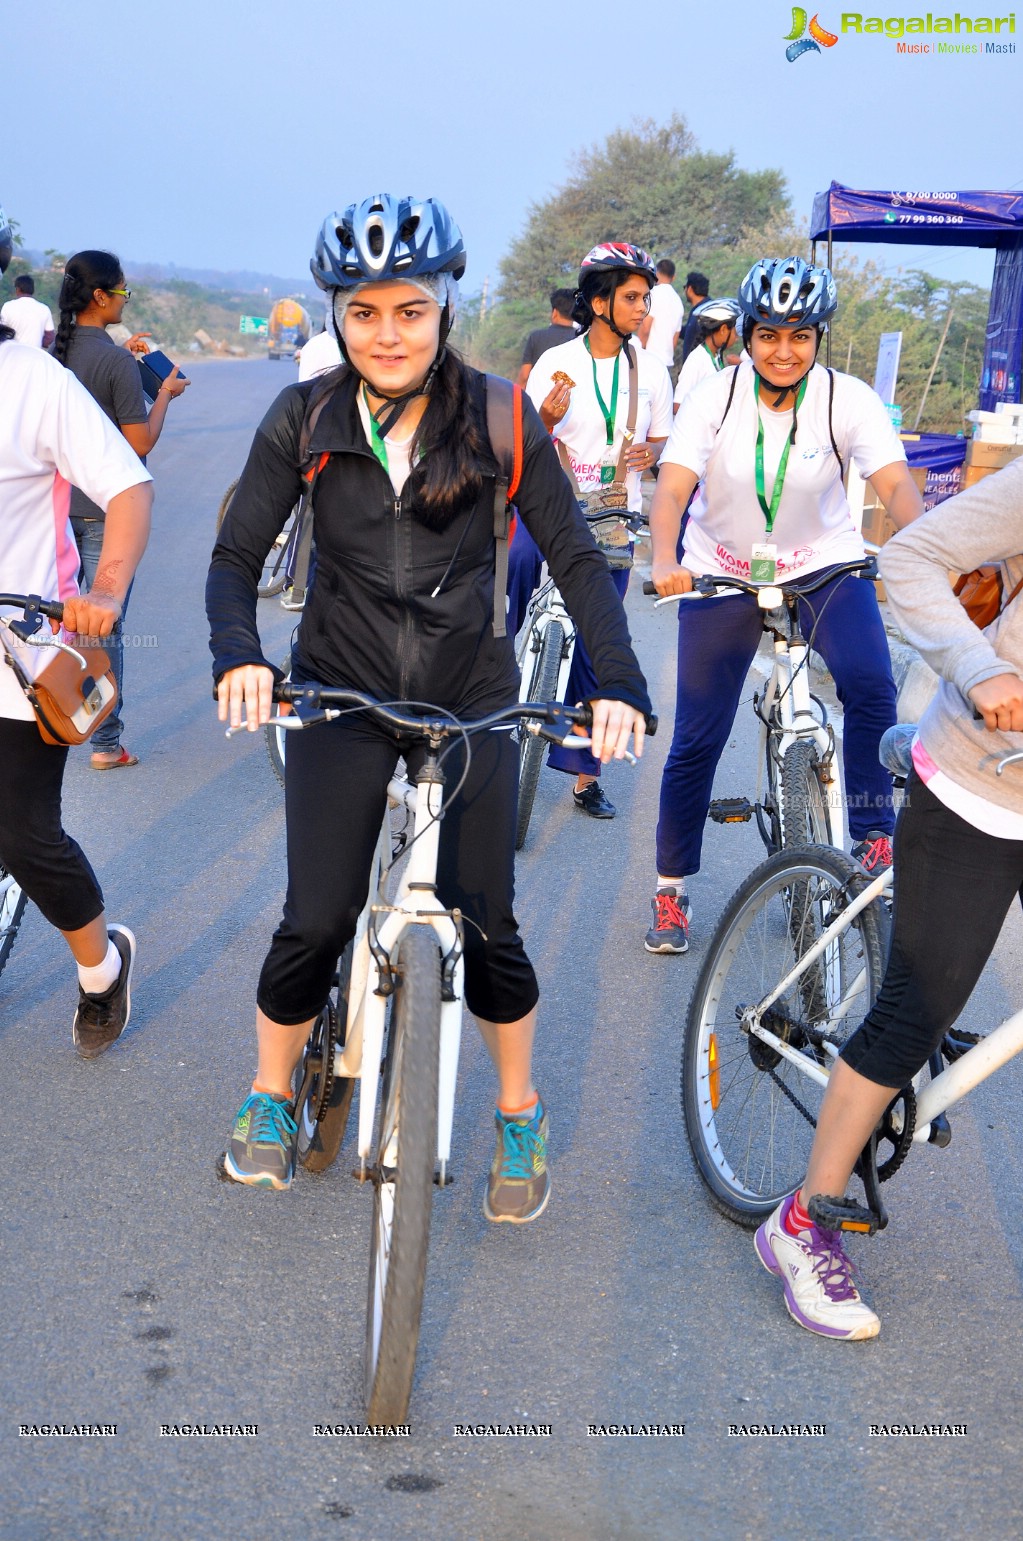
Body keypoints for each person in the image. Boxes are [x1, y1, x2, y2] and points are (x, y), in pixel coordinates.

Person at [206, 195, 651, 1212]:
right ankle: (272, 1093)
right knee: (314, 918)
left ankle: (518, 1111)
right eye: (364, 313)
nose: (388, 333)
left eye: (409, 310)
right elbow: (236, 556)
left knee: (488, 919)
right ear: (336, 317)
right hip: (339, 691)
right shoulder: (306, 416)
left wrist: (619, 680)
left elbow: (576, 559)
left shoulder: (499, 415)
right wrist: (242, 654)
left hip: (474, 698)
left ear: (445, 305)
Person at [756, 456, 1023, 1340]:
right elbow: (908, 559)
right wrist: (979, 667)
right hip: (985, 782)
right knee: (915, 1008)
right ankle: (805, 1218)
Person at [646, 255, 924, 953]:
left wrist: (918, 545)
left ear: (818, 338)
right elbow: (675, 487)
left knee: (867, 685)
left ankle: (872, 836)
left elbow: (893, 487)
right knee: (697, 736)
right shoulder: (715, 395)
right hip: (723, 570)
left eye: (800, 335)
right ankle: (672, 889)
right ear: (745, 334)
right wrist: (663, 558)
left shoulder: (845, 398)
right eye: (768, 333)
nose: (783, 350)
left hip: (825, 563)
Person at [0, 211, 153, 1056]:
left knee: (24, 832)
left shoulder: (32, 380)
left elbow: (128, 487)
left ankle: (101, 967)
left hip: (23, 650)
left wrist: (104, 589)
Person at [523, 243, 671, 819]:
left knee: (597, 644)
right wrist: (548, 421)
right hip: (553, 511)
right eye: (632, 297)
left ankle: (586, 775)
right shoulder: (560, 364)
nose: (642, 308)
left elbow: (664, 442)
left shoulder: (653, 370)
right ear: (600, 301)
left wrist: (648, 454)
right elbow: (527, 441)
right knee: (501, 592)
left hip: (615, 523)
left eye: (646, 298)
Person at [53, 251, 189, 769]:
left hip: (57, 513)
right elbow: (139, 445)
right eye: (125, 293)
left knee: (54, 622)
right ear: (100, 297)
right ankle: (106, 744)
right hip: (104, 517)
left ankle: (49, 719)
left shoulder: (51, 354)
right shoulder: (113, 362)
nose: (127, 301)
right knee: (105, 626)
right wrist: (165, 395)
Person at [672, 297, 741, 415]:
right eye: (735, 332)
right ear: (724, 329)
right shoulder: (697, 360)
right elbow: (678, 406)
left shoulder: (716, 356)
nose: (737, 337)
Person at [516, 289, 577, 386]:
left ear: (555, 313)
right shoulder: (580, 338)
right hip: (570, 396)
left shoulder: (537, 337)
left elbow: (524, 376)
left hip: (540, 398)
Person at [637, 259, 685, 378]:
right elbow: (675, 338)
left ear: (656, 273)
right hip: (666, 361)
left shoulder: (653, 294)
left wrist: (639, 349)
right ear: (673, 277)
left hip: (649, 358)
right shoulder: (678, 301)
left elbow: (645, 327)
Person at [1, 274, 55, 349]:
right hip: (35, 355)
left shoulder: (8, 307)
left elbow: (2, 333)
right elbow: (50, 337)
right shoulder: (44, 309)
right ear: (32, 290)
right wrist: (38, 342)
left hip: (13, 354)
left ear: (18, 289)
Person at [678, 270, 710, 365]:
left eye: (685, 287)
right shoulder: (696, 310)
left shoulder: (706, 311)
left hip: (699, 368)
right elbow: (689, 333)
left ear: (690, 289)